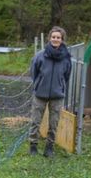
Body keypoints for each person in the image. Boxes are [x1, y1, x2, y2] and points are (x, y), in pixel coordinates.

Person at [28, 26, 71, 158]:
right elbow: (33, 72)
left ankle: (49, 147)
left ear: (62, 39)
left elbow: (67, 75)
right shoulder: (40, 56)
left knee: (54, 122)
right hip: (40, 93)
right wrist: (38, 84)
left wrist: (61, 86)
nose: (55, 39)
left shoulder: (66, 58)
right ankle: (33, 146)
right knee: (35, 120)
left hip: (57, 95)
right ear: (49, 38)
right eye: (53, 37)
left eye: (58, 37)